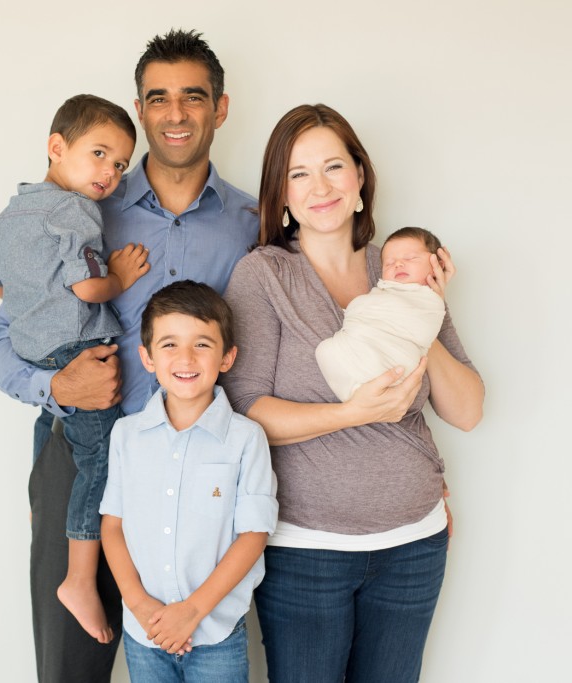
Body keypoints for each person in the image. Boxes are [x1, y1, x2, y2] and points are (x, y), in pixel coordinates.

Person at [0, 29, 259, 683]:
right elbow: (0, 347)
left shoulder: (254, 222)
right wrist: (58, 387)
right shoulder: (79, 211)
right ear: (140, 109)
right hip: (79, 454)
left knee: (195, 658)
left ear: (219, 109)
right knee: (69, 668)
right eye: (158, 98)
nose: (175, 113)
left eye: (193, 97)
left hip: (201, 475)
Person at [221, 103, 485, 683]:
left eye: (334, 166)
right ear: (281, 194)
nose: (320, 187)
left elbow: (466, 411)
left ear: (360, 177)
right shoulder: (263, 275)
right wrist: (350, 414)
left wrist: (423, 309)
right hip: (306, 550)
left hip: (415, 544)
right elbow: (248, 412)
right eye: (299, 173)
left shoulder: (400, 269)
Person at [0, 94, 150, 644]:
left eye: (121, 164)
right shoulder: (75, 211)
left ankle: (42, 518)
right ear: (57, 147)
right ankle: (78, 578)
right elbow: (88, 286)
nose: (111, 173)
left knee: (49, 431)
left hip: (39, 353)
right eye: (99, 154)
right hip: (79, 350)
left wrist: (33, 302)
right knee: (102, 459)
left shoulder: (11, 212)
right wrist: (119, 278)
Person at [99, 281, 277, 682]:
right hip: (145, 633)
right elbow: (113, 525)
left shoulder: (246, 438)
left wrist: (192, 611)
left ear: (227, 357)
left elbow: (253, 534)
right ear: (146, 357)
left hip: (215, 635)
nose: (185, 357)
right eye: (169, 345)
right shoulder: (126, 435)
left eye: (202, 344)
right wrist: (140, 605)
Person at [315, 226, 448, 401]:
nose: (398, 264)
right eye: (389, 263)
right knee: (325, 351)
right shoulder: (382, 291)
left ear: (437, 265)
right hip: (366, 354)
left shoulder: (431, 303)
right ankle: (356, 396)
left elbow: (418, 328)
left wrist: (435, 298)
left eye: (411, 258)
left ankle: (364, 393)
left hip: (396, 361)